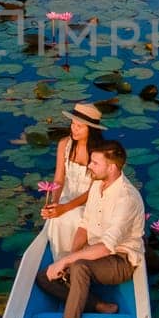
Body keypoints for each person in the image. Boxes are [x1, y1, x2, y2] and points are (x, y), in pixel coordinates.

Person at [35, 139, 145, 318]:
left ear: (112, 167)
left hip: (120, 260)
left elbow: (106, 247)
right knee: (44, 277)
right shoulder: (96, 185)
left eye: (95, 163)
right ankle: (101, 306)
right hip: (95, 252)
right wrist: (67, 256)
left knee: (80, 267)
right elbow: (84, 225)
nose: (89, 167)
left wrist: (68, 261)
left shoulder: (127, 198)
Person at [40, 102, 103, 258]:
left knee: (75, 217)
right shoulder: (64, 145)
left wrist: (66, 207)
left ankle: (76, 259)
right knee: (56, 217)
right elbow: (59, 178)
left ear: (91, 130)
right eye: (73, 124)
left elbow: (94, 190)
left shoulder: (100, 152)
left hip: (90, 201)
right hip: (66, 197)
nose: (74, 129)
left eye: (79, 126)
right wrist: (54, 203)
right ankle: (60, 259)